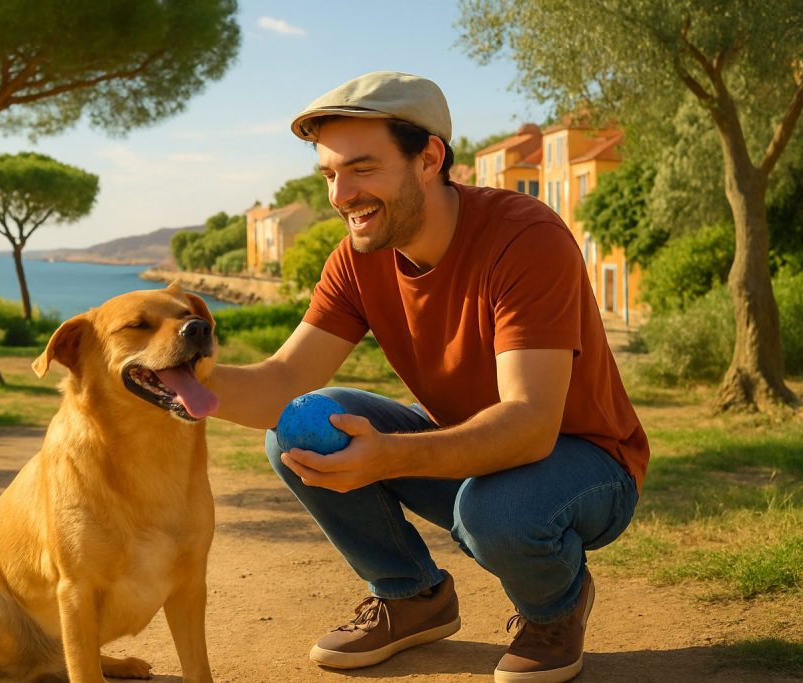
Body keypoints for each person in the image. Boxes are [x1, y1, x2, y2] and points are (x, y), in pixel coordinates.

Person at [209, 71, 648, 683]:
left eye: (362, 169)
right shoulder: (358, 257)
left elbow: (529, 426)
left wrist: (387, 457)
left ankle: (555, 608)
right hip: (476, 456)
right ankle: (412, 596)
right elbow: (280, 378)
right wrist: (179, 385)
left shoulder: (525, 237)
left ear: (430, 158)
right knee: (297, 429)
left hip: (586, 464)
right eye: (330, 175)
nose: (341, 194)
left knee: (493, 511)